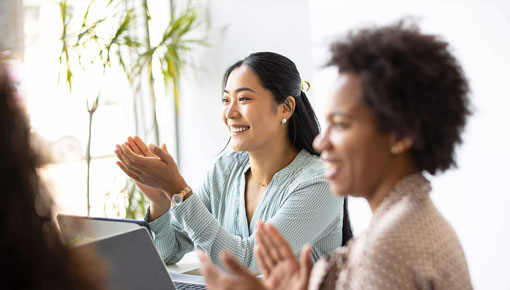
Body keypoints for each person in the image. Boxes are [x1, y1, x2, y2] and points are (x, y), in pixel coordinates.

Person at [198, 21, 473, 290]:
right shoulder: (407, 221)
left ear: (399, 136)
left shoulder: (389, 248)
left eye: (340, 124)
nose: (322, 140)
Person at [114, 52, 353, 271]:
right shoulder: (224, 171)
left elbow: (248, 262)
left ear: (286, 108)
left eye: (244, 99)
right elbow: (170, 251)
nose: (230, 112)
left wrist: (177, 189)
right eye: (226, 100)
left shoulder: (321, 183)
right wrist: (159, 201)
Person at [0, 58, 105, 289]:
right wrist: (164, 199)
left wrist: (176, 192)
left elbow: (191, 252)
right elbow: (170, 252)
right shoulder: (45, 267)